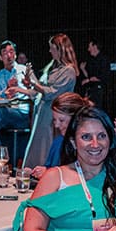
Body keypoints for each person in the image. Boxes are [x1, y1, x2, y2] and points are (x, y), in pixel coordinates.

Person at [15, 33, 78, 167]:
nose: (50, 51)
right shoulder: (53, 68)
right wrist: (24, 86)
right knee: (38, 146)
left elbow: (52, 93)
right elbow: (40, 91)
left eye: (52, 48)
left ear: (60, 49)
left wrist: (34, 83)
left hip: (53, 114)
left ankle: (47, 171)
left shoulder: (68, 71)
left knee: (47, 146)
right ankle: (36, 171)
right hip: (43, 113)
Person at [29, 92, 90, 180]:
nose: (56, 125)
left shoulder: (85, 146)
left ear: (76, 118)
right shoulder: (58, 141)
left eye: (61, 120)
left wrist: (49, 173)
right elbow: (50, 167)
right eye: (54, 120)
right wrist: (37, 171)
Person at [79, 39, 110, 109]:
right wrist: (83, 69)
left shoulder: (103, 59)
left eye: (89, 47)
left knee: (96, 109)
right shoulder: (91, 60)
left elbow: (102, 76)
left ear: (95, 46)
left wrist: (88, 80)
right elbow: (89, 76)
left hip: (99, 91)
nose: (88, 49)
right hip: (91, 89)